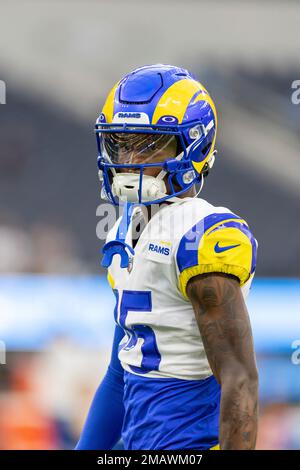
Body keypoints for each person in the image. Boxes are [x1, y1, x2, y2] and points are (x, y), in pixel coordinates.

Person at [76, 64, 258, 450]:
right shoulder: (124, 230)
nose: (129, 159)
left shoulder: (203, 234)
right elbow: (119, 374)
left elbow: (239, 378)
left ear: (191, 146)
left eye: (148, 144)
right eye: (122, 143)